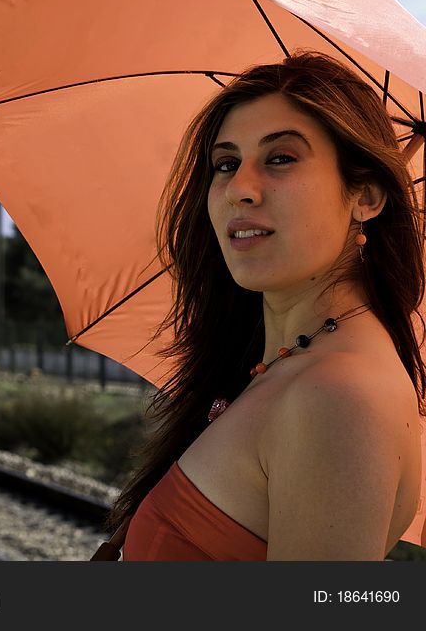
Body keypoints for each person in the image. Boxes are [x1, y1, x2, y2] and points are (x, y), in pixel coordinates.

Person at [103, 51, 425, 561]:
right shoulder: (285, 364)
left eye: (280, 158)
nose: (239, 190)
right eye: (226, 164)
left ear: (364, 195)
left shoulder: (338, 395)